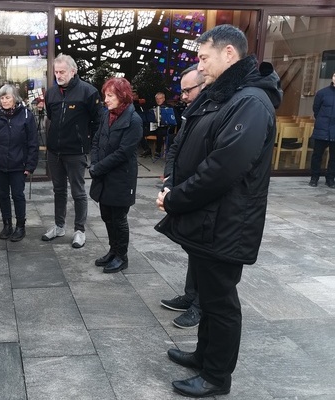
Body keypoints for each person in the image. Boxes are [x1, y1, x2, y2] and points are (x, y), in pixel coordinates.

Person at [155, 24, 282, 397]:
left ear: (229, 54)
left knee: (221, 302)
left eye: (204, 57)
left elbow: (223, 169)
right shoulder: (223, 95)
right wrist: (172, 183)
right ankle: (204, 356)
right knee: (209, 297)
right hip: (208, 219)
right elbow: (190, 144)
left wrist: (175, 198)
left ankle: (216, 377)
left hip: (227, 222)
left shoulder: (250, 103)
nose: (200, 65)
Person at [160, 64, 205, 329]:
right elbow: (175, 148)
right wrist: (169, 178)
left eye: (188, 90)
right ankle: (190, 295)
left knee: (202, 249)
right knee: (191, 246)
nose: (184, 96)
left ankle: (200, 304)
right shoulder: (192, 113)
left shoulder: (217, 112)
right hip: (183, 187)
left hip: (201, 192)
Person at [42, 54, 103, 248]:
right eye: (56, 72)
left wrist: (88, 145)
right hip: (54, 151)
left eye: (62, 72)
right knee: (58, 190)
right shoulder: (51, 93)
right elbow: (51, 116)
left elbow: (98, 122)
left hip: (76, 152)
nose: (58, 75)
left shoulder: (88, 92)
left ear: (73, 71)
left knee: (78, 192)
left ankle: (79, 230)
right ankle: (59, 226)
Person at [89, 77, 142, 273]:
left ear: (122, 96)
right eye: (105, 95)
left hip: (120, 178)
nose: (106, 99)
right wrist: (94, 162)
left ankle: (122, 256)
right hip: (103, 176)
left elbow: (123, 153)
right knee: (106, 216)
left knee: (119, 219)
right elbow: (96, 141)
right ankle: (113, 251)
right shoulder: (107, 115)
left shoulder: (134, 120)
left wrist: (98, 167)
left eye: (110, 95)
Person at [0, 84, 38, 242]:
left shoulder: (26, 115)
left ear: (15, 98)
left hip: (18, 165)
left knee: (18, 195)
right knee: (2, 195)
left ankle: (21, 226)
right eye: (2, 98)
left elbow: (33, 142)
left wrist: (30, 165)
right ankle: (7, 225)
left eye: (8, 97)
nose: (4, 101)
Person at [308, 71, 335, 188]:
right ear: (332, 77)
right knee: (317, 155)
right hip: (322, 129)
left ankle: (330, 179)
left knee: (334, 158)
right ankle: (314, 177)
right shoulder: (322, 93)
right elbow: (316, 110)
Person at [150, 92, 176, 158]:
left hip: (166, 128)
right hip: (154, 127)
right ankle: (146, 149)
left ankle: (158, 151)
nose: (158, 100)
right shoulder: (153, 108)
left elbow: (176, 120)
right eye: (157, 99)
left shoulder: (169, 108)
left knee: (160, 132)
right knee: (140, 131)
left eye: (160, 98)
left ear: (164, 99)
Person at [133, 90, 153, 157]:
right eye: (132, 95)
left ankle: (147, 149)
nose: (133, 96)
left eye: (134, 95)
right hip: (136, 123)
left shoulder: (141, 102)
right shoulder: (132, 104)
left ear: (137, 96)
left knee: (140, 133)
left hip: (145, 124)